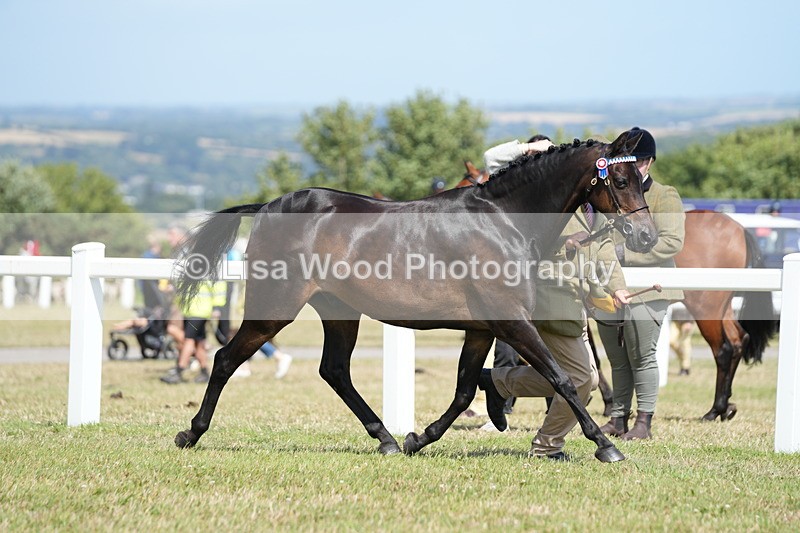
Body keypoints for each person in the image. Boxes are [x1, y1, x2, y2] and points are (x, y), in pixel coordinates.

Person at [476, 135, 631, 460]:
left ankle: (500, 382)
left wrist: (617, 286)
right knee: (580, 380)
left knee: (580, 380)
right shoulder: (547, 195)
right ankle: (547, 446)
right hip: (547, 298)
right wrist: (527, 150)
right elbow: (492, 161)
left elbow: (603, 251)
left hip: (574, 302)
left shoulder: (599, 206)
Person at [595, 127, 685, 440]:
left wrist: (625, 254)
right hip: (613, 285)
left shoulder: (664, 195)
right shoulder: (612, 192)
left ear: (647, 163)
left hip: (649, 286)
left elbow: (672, 242)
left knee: (642, 354)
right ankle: (618, 418)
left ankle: (644, 421)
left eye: (635, 161)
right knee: (617, 358)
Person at [160, 280, 227, 384]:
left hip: (200, 311)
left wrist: (217, 307)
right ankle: (205, 373)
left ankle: (179, 371)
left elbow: (219, 285)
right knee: (199, 343)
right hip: (189, 310)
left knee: (189, 340)